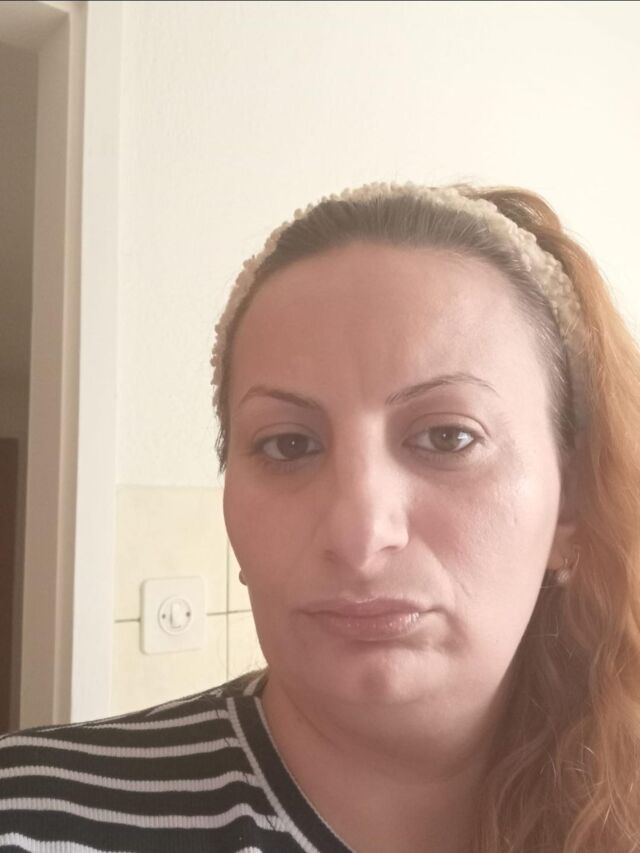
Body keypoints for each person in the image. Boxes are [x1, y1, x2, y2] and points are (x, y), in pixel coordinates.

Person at [1, 182, 639, 853]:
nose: (360, 535)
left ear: (571, 502)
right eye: (288, 444)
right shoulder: (30, 820)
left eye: (448, 437)